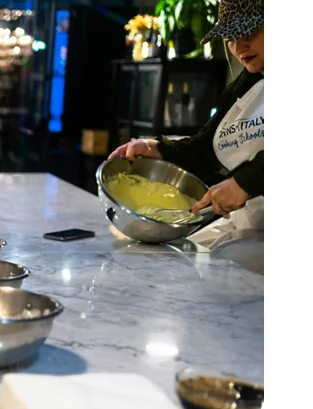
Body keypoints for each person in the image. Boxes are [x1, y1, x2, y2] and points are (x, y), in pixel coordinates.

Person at [109, 0, 263, 274]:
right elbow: (206, 149)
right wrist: (156, 148)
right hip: (250, 224)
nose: (238, 47)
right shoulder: (247, 84)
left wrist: (245, 182)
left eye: (248, 32)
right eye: (230, 38)